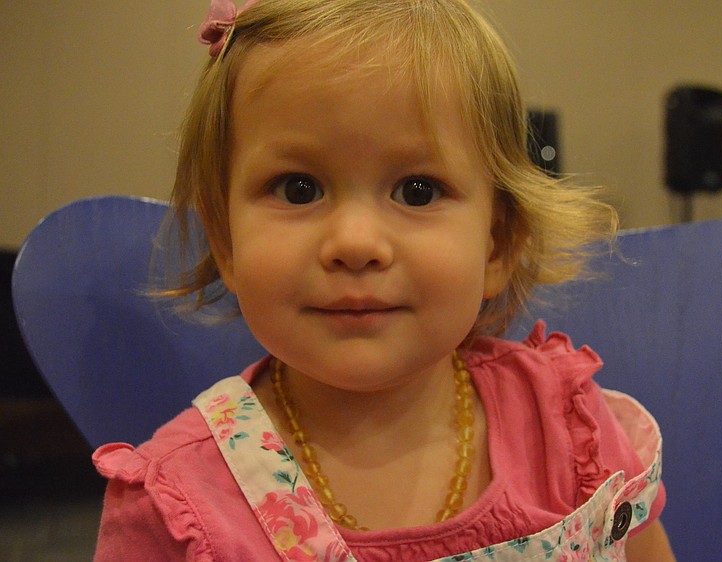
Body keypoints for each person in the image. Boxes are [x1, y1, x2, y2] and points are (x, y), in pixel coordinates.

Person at [93, 0, 676, 560]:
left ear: (497, 243)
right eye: (299, 188)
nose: (355, 243)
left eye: (416, 191)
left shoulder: (571, 433)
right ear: (225, 240)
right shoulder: (176, 508)